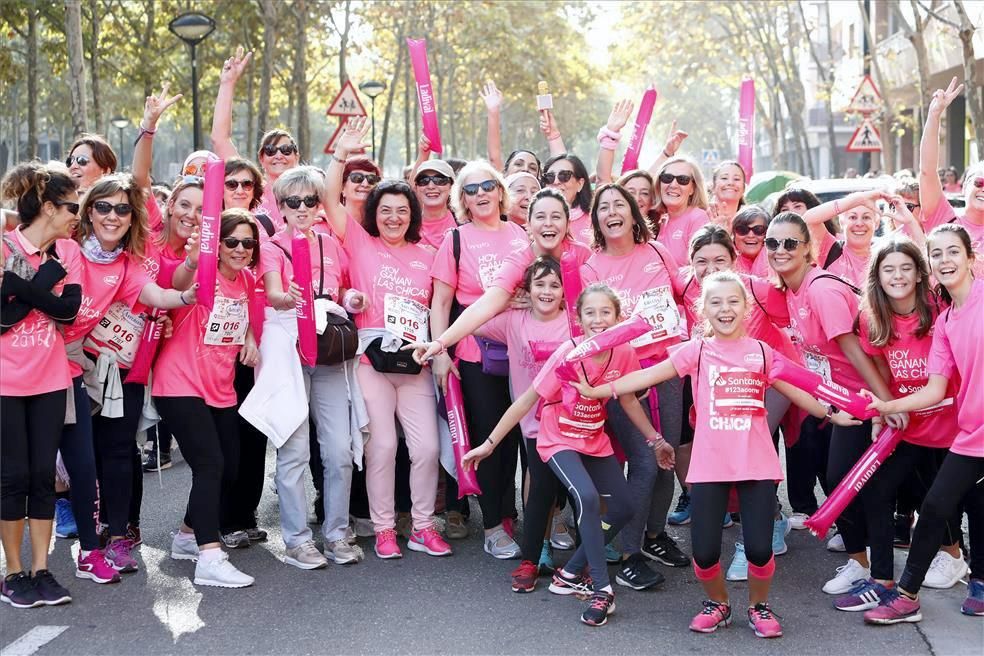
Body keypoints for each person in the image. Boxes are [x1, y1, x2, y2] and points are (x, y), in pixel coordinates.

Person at [573, 271, 860, 638]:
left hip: (755, 462)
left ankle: (759, 606)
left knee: (758, 549)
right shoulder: (697, 350)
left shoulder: (761, 351)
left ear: (745, 309)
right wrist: (602, 391)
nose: (725, 309)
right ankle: (718, 604)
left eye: (733, 302)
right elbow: (646, 377)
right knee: (705, 553)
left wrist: (834, 413)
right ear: (703, 310)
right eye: (716, 302)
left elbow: (799, 387)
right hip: (709, 466)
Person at [464, 284, 669, 627]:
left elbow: (629, 399)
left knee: (624, 506)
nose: (599, 319)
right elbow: (527, 400)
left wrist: (656, 440)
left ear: (618, 318)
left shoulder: (624, 353)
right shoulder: (567, 353)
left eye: (606, 312)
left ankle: (573, 568)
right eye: (590, 313)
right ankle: (602, 590)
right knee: (586, 498)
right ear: (579, 318)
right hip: (557, 438)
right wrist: (489, 443)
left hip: (593, 438)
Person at [324, 117, 450, 560]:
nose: (393, 217)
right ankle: (382, 530)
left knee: (428, 446)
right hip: (370, 361)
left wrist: (440, 352)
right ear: (373, 215)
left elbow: (439, 307)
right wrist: (342, 153)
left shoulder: (428, 254)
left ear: (412, 214)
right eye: (385, 210)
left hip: (413, 361)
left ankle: (421, 526)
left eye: (401, 210)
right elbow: (328, 197)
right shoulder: (359, 241)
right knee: (382, 444)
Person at [766, 211, 906, 595]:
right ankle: (862, 561)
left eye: (790, 242)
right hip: (838, 397)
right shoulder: (790, 291)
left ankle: (876, 571)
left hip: (865, 398)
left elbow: (855, 351)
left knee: (850, 480)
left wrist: (885, 404)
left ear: (808, 248)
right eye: (772, 243)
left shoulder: (819, 290)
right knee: (839, 478)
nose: (780, 250)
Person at [831, 236, 965, 615]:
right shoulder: (873, 316)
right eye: (889, 268)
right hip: (910, 427)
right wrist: (881, 413)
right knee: (878, 491)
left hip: (950, 427)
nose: (898, 275)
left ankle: (956, 559)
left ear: (920, 274)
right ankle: (882, 580)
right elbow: (878, 367)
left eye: (906, 267)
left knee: (940, 502)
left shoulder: (940, 308)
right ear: (877, 276)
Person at [862, 224, 984, 622]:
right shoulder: (946, 322)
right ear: (930, 265)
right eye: (938, 254)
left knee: (979, 506)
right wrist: (886, 404)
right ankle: (907, 596)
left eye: (953, 252)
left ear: (970, 257)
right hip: (972, 433)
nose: (946, 260)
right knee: (934, 507)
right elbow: (934, 390)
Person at [580, 183, 690, 586]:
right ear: (596, 219)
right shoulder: (591, 267)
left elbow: (686, 292)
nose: (612, 212)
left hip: (670, 369)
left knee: (667, 461)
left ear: (633, 212)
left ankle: (655, 535)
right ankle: (627, 553)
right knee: (645, 459)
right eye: (603, 207)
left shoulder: (659, 251)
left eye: (619, 205)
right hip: (624, 375)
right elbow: (592, 326)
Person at [258, 166, 363, 567]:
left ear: (320, 205)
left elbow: (347, 288)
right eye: (293, 201)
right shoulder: (272, 246)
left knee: (338, 448)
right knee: (295, 449)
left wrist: (352, 300)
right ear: (280, 206)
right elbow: (271, 292)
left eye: (310, 200)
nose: (302, 208)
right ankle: (297, 539)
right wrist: (288, 299)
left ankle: (337, 532)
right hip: (289, 350)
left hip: (330, 349)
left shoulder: (331, 243)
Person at [429, 161, 529, 559]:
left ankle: (508, 514)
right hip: (475, 356)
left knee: (515, 440)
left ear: (501, 192)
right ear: (463, 200)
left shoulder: (521, 234)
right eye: (472, 189)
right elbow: (440, 302)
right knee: (489, 439)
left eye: (488, 185)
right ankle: (492, 526)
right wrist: (441, 352)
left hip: (522, 352)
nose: (481, 193)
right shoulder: (455, 240)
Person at [154, 209, 258, 588]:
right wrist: (194, 260)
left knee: (229, 469)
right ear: (218, 243)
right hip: (179, 382)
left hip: (220, 387)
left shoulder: (246, 280)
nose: (241, 249)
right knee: (210, 465)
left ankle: (185, 536)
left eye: (248, 243)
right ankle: (209, 557)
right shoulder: (202, 271)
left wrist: (249, 340)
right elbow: (180, 281)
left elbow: (243, 320)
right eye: (232, 241)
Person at [0, 162, 82, 608]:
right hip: (6, 382)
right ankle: (13, 572)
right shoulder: (3, 245)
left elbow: (68, 312)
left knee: (42, 477)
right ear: (48, 207)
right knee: (12, 476)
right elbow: (2, 318)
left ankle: (41, 568)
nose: (77, 215)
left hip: (51, 378)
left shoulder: (67, 253)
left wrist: (18, 286)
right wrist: (41, 293)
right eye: (72, 207)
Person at [473, 256, 573, 590]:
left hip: (574, 425)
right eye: (539, 284)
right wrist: (506, 298)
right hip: (533, 423)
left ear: (565, 291)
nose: (547, 291)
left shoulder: (574, 321)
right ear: (527, 290)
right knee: (540, 494)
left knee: (577, 494)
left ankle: (584, 564)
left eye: (554, 285)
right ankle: (531, 558)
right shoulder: (515, 320)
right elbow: (477, 319)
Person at [410, 188, 592, 363]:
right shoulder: (519, 261)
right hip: (528, 355)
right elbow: (484, 306)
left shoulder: (582, 255)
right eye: (540, 217)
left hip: (578, 351)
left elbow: (596, 304)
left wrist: (547, 302)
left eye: (556, 217)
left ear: (568, 223)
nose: (548, 223)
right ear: (528, 223)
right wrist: (439, 343)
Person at [917, 78, 984, 278]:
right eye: (979, 182)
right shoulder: (945, 219)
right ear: (964, 187)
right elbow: (927, 172)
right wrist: (934, 116)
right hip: (946, 310)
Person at [799, 188, 893, 288]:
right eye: (852, 217)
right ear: (842, 222)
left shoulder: (886, 254)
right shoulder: (829, 249)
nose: (859, 223)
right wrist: (859, 199)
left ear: (877, 222)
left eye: (866, 217)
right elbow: (808, 219)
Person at [652, 156, 710, 266]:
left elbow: (701, 268)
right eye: (667, 178)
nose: (673, 185)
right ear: (659, 184)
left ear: (692, 188)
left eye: (683, 179)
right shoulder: (662, 219)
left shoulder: (698, 218)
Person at [542, 154, 594, 245]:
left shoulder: (595, 219)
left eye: (564, 176)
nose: (556, 182)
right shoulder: (534, 220)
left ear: (580, 184)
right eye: (550, 177)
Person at [411, 155, 458, 251]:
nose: (431, 186)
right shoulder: (406, 224)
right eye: (423, 181)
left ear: (451, 186)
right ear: (416, 188)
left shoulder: (464, 223)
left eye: (439, 180)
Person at [731, 205, 771, 278]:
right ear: (734, 234)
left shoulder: (778, 259)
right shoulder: (724, 258)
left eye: (758, 230)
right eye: (742, 230)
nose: (751, 235)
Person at [707, 161, 747, 228]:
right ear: (713, 187)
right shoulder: (699, 217)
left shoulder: (751, 221)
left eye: (736, 179)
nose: (730, 183)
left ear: (743, 189)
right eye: (724, 178)